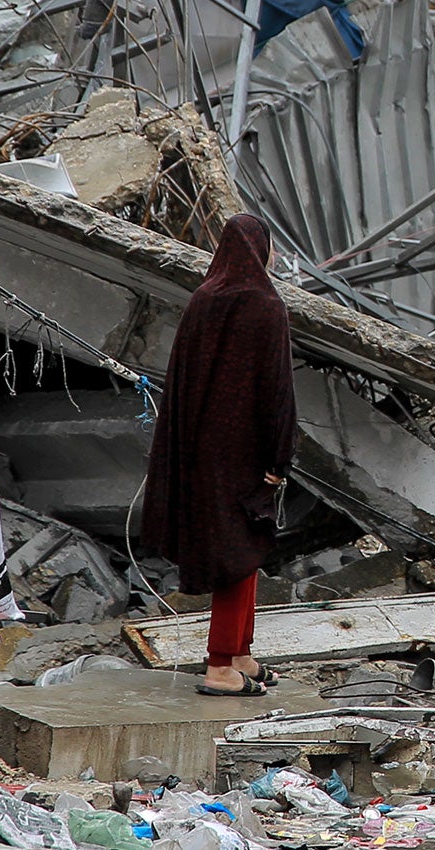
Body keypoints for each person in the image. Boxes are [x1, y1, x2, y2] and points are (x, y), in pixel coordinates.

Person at [143, 214, 298, 697]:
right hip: (245, 452)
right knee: (239, 551)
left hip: (199, 450)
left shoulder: (203, 298)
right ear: (261, 250)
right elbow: (277, 390)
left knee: (240, 550)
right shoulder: (265, 304)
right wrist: (279, 460)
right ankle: (219, 666)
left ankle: (240, 654)